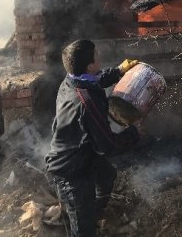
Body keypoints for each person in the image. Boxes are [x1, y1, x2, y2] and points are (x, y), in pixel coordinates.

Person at [45, 39, 142, 236]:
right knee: (83, 230)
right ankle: (83, 215)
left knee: (106, 175)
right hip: (71, 171)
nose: (100, 57)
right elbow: (108, 145)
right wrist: (134, 132)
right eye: (97, 56)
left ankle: (94, 210)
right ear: (90, 65)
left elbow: (95, 79)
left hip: (82, 151)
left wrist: (118, 71)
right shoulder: (86, 102)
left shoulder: (71, 80)